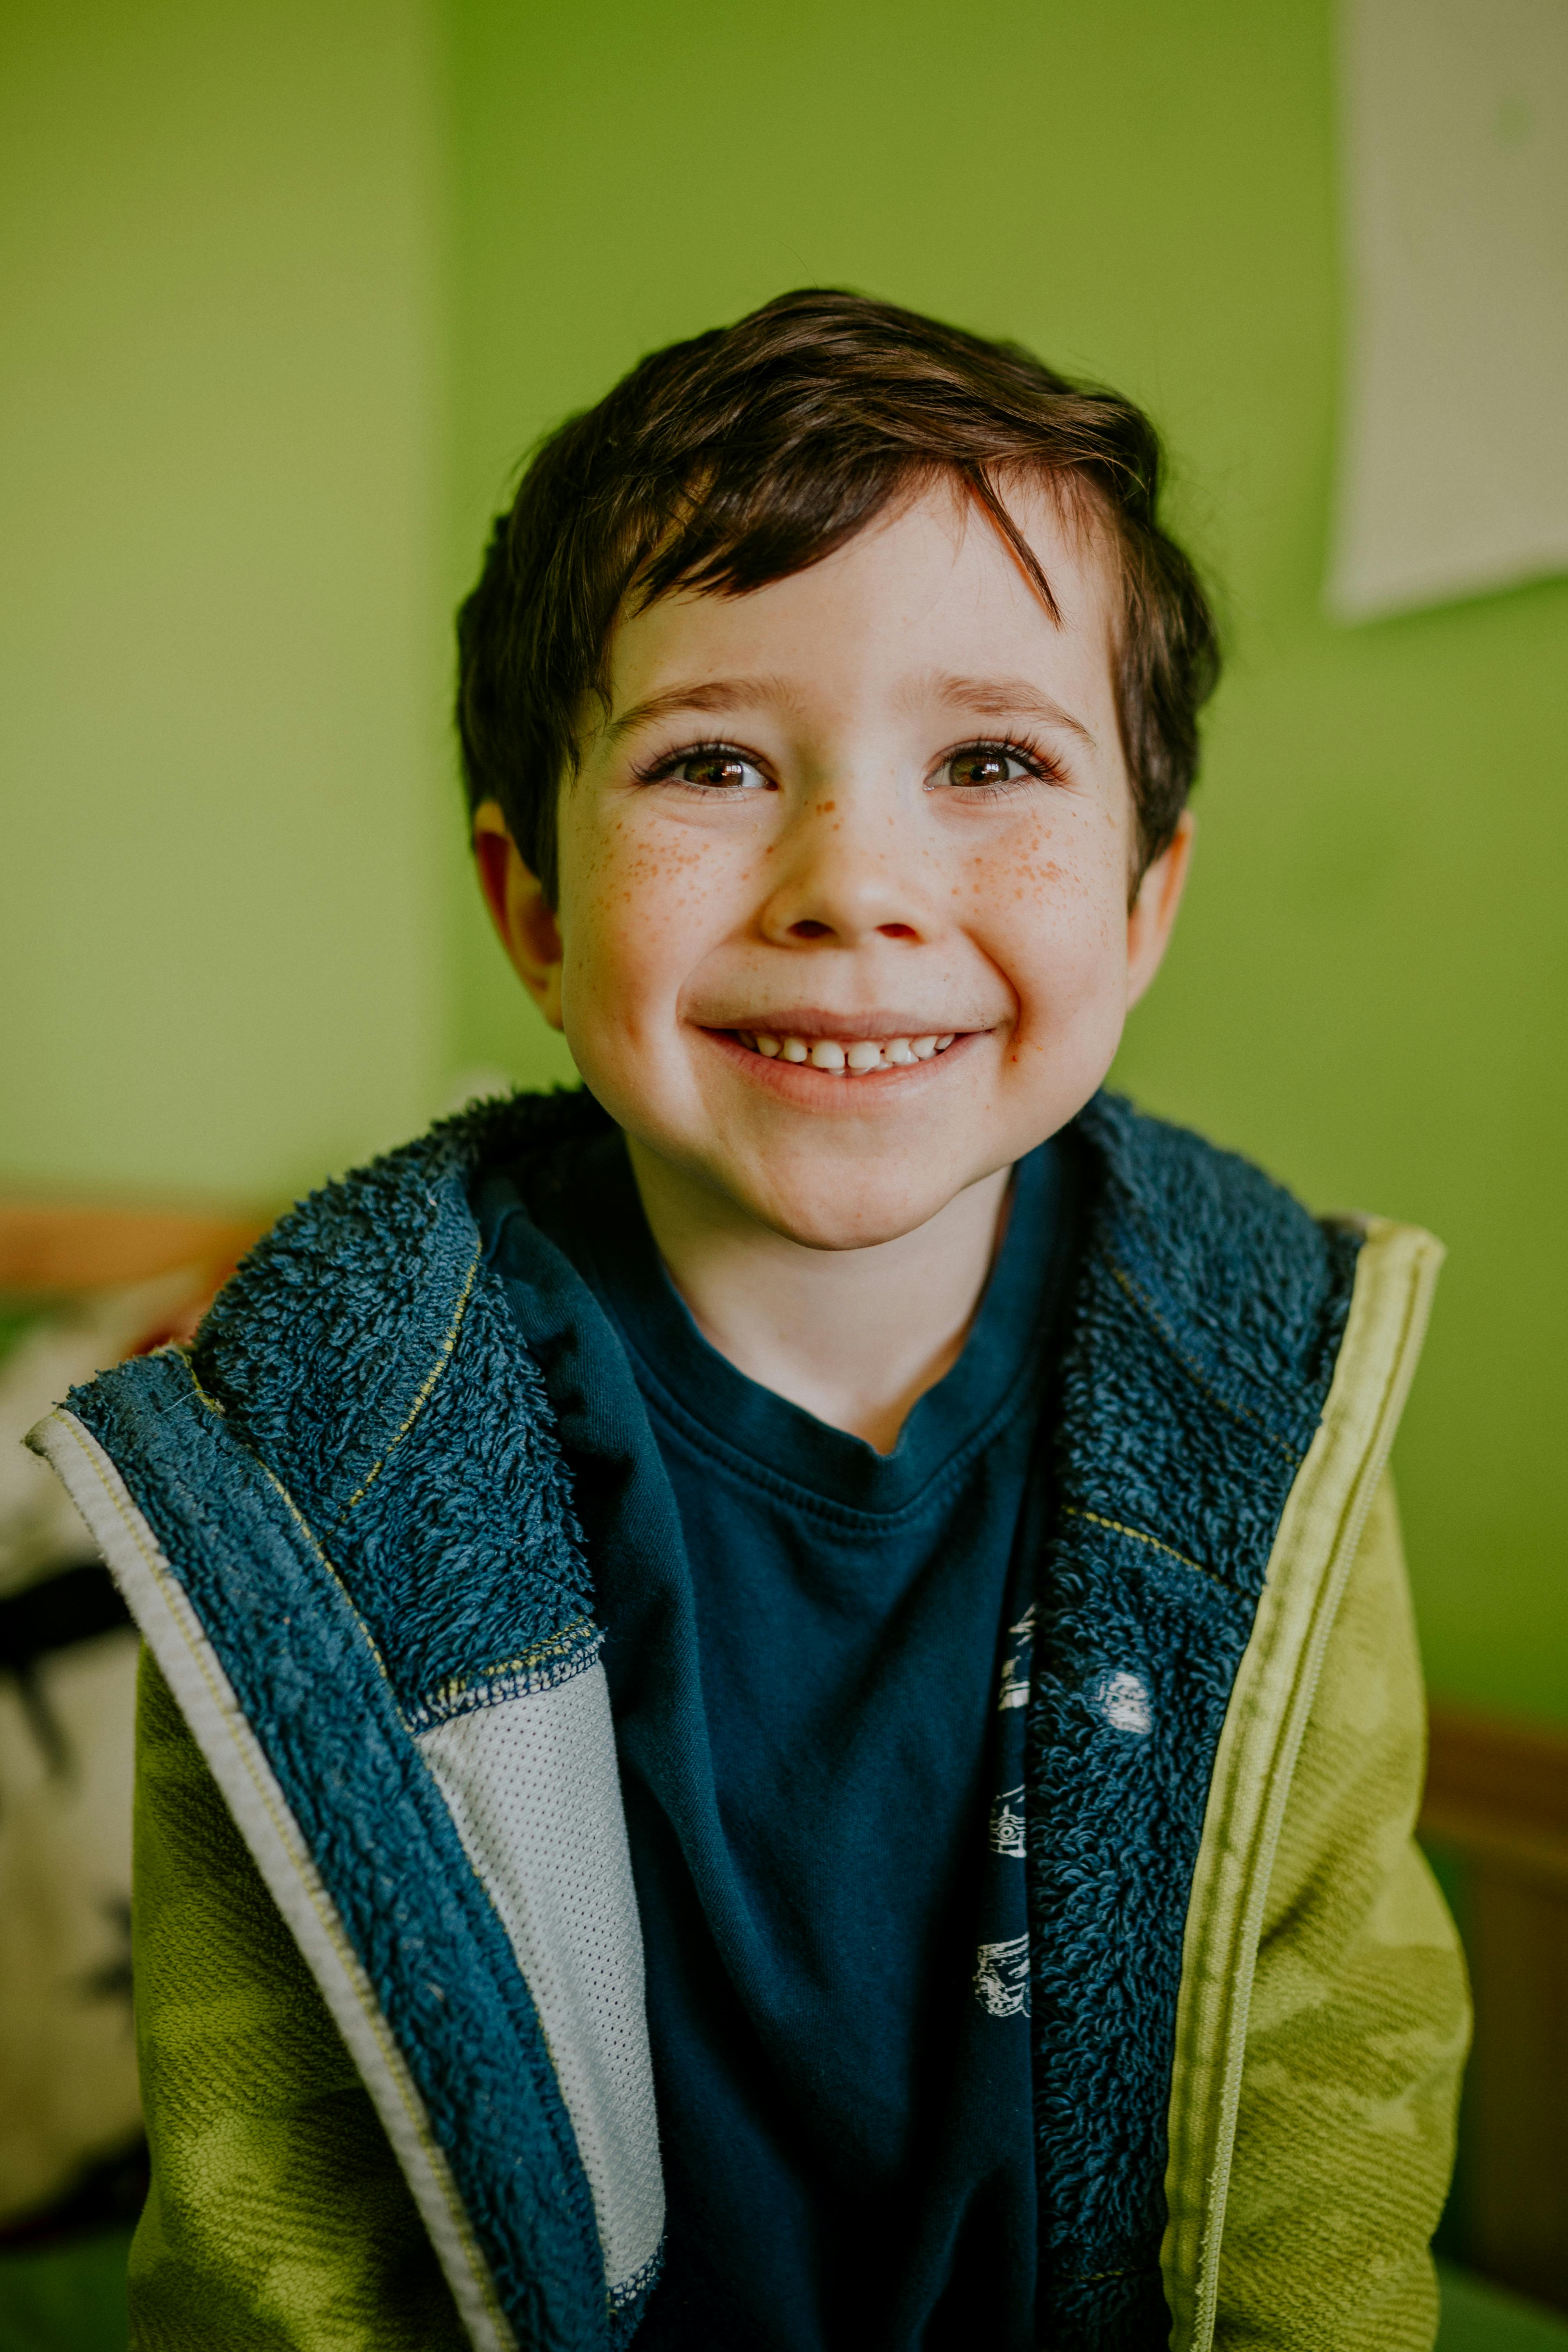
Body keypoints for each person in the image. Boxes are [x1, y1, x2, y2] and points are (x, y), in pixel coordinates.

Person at [31, 290, 1467, 2352]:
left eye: (991, 759)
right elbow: (287, 2248)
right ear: (534, 911)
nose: (851, 882)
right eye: (712, 761)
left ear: (1145, 900)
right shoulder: (302, 1473)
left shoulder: (1273, 1406)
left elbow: (1330, 2122)